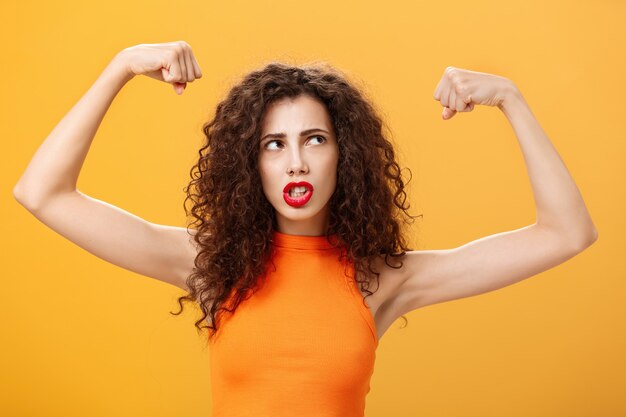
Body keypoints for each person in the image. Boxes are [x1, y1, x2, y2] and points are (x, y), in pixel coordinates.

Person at [13, 41, 598, 416]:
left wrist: (511, 99)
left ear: (345, 156)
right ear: (252, 164)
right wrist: (120, 65)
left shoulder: (382, 279)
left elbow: (565, 233)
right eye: (275, 144)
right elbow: (42, 193)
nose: (296, 161)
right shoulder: (211, 266)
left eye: (314, 139)